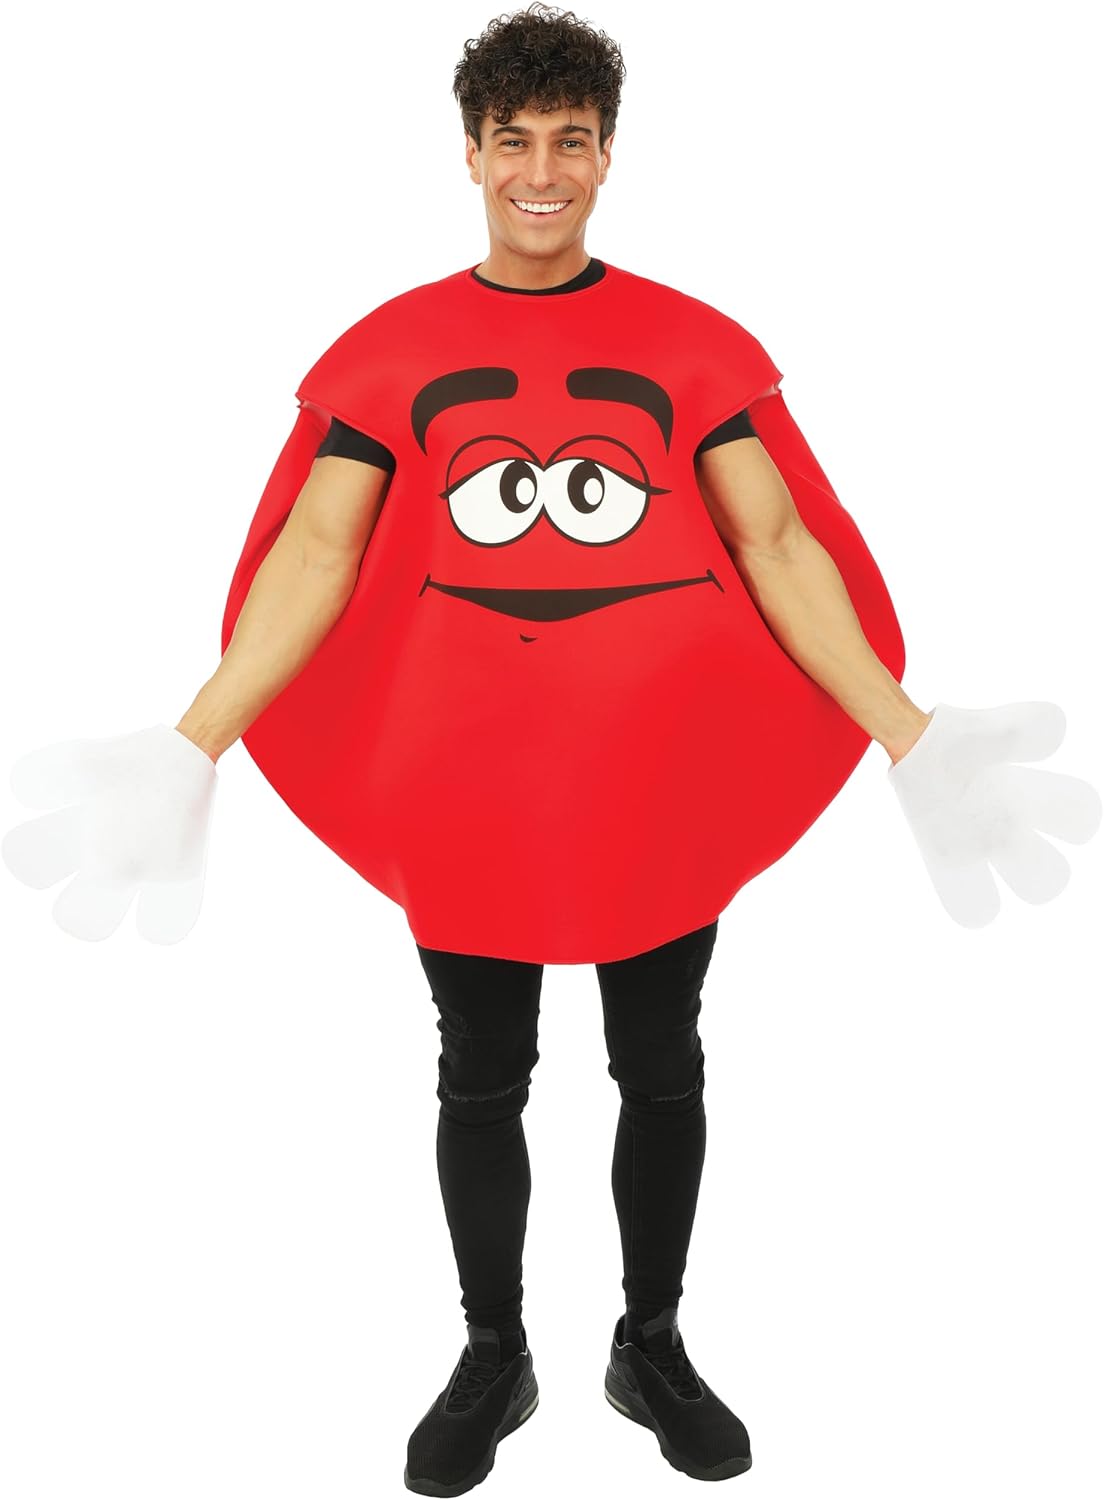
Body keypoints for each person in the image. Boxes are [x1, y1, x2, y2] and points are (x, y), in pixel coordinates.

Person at [4, 4, 1099, 1495]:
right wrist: (191, 743)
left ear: (607, 154)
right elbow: (318, 554)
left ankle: (651, 1346)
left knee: (662, 1066)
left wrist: (912, 737)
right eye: (511, 141)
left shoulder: (690, 347)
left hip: (656, 797)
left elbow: (775, 541)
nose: (540, 172)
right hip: (466, 806)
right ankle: (493, 1352)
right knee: (481, 1077)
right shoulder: (393, 356)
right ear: (468, 153)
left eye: (569, 142)